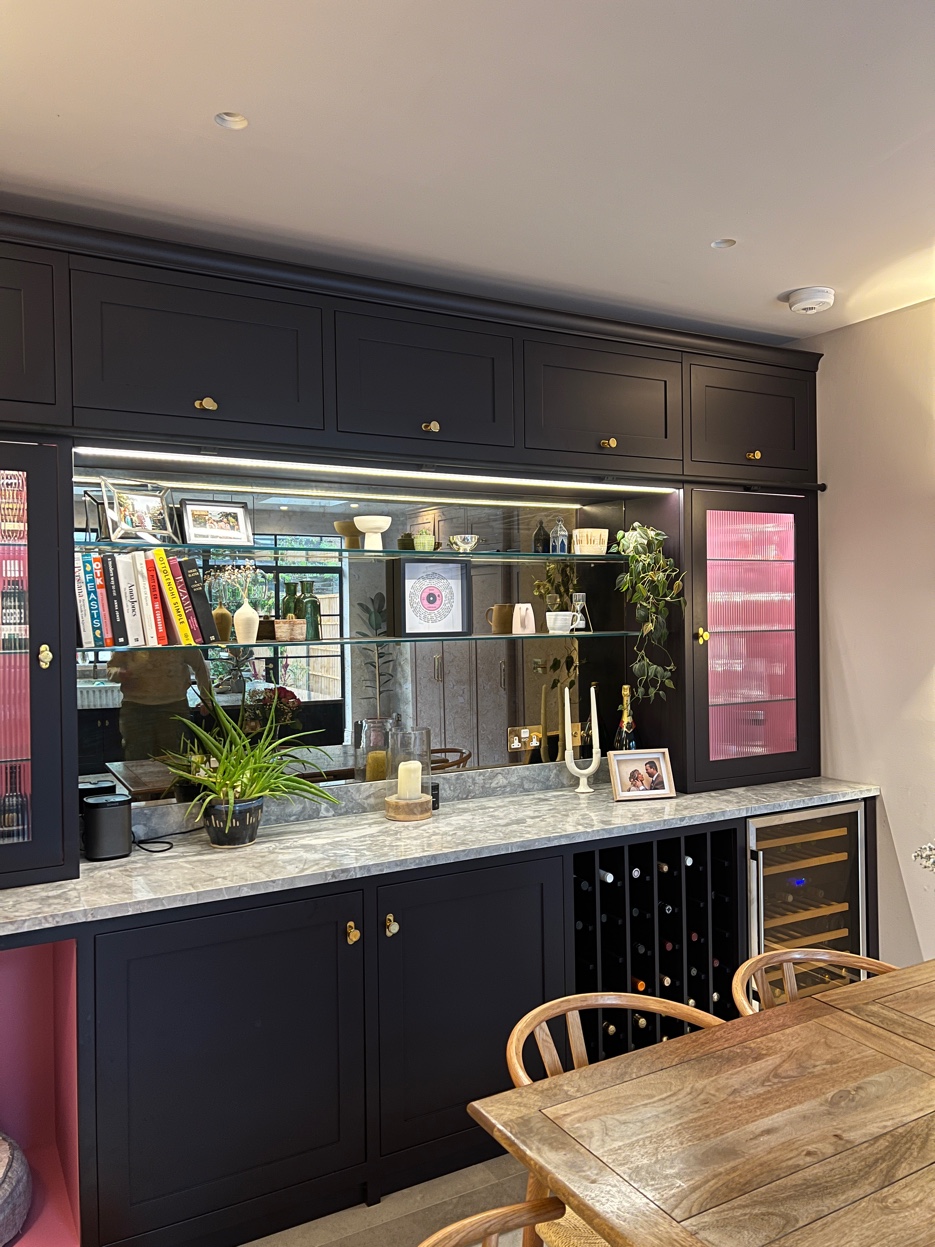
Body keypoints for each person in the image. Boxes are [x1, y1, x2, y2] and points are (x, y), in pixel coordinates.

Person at [107, 648, 212, 761]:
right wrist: (119, 673)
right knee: (137, 758)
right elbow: (110, 671)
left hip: (174, 707)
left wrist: (206, 698)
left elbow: (200, 666)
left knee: (175, 758)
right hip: (135, 708)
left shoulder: (179, 639)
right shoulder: (130, 639)